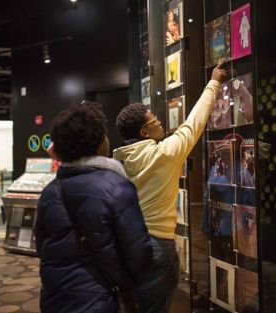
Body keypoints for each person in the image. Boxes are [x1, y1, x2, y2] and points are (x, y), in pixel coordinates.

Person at [113, 62, 227, 313]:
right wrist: (214, 82)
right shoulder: (163, 154)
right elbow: (193, 124)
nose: (160, 122)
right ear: (144, 132)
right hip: (156, 246)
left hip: (126, 244)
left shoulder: (117, 162)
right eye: (154, 120)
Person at [35, 102, 153, 313]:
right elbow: (139, 253)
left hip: (54, 296)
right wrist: (126, 284)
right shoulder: (116, 186)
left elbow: (40, 246)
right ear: (98, 142)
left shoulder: (50, 191)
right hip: (98, 298)